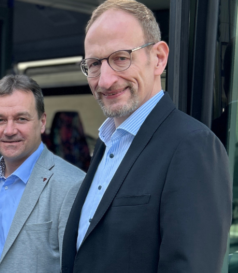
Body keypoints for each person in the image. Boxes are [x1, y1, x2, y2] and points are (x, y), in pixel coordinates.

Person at [61, 1, 231, 272]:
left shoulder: (192, 146)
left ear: (159, 58)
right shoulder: (107, 145)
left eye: (120, 58)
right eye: (94, 64)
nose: (105, 80)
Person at [0, 74, 85, 273]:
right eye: (0, 120)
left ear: (42, 122)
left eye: (21, 118)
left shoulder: (71, 185)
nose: (9, 130)